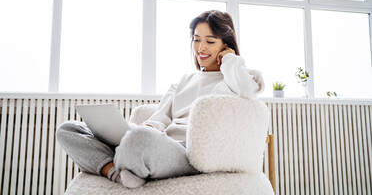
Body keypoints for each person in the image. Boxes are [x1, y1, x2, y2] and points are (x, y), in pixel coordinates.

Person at [56, 10, 265, 189]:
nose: (201, 48)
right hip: (162, 144)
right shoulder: (184, 80)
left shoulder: (234, 78)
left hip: (187, 154)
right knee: (68, 129)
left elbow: (246, 90)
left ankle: (123, 158)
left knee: (140, 139)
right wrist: (146, 127)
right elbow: (160, 118)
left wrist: (229, 59)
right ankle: (115, 172)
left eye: (210, 41)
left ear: (225, 44)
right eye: (196, 39)